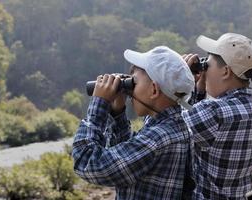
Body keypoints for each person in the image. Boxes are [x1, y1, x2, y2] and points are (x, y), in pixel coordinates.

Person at [72, 46, 195, 199]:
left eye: (133, 82)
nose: (129, 90)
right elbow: (127, 156)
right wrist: (117, 114)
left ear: (154, 90)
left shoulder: (159, 138)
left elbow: (87, 162)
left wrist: (99, 104)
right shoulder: (172, 125)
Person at [182, 33, 252, 199]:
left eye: (207, 66)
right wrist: (199, 90)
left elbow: (165, 126)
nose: (204, 71)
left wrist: (181, 79)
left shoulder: (214, 111)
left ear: (226, 71)